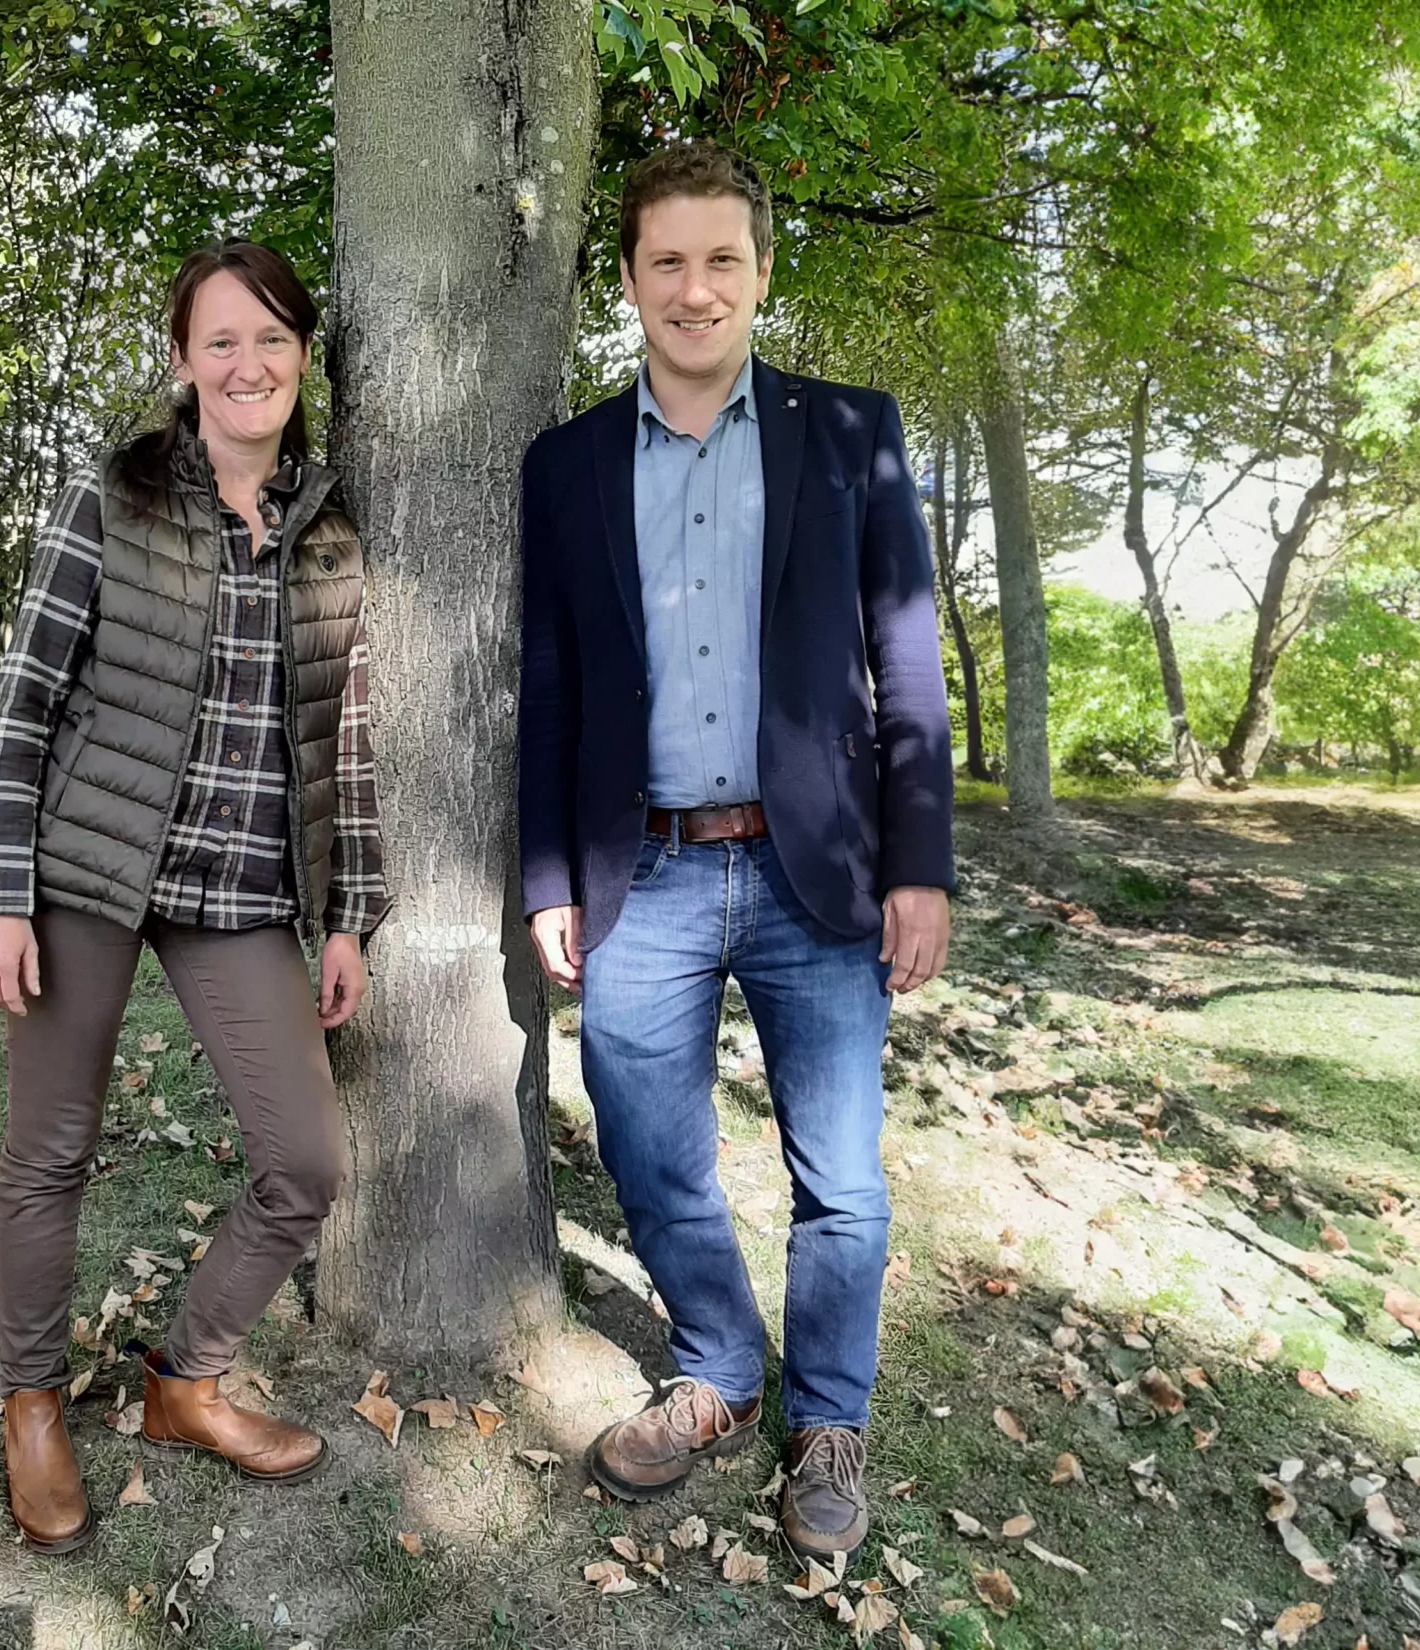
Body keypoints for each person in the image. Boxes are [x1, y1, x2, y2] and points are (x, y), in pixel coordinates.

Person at [516, 141, 955, 1559]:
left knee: (843, 1176)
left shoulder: (851, 434)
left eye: (721, 259)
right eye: (667, 261)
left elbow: (906, 662)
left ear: (762, 273)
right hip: (637, 871)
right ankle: (714, 1365)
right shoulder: (569, 465)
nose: (694, 288)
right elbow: (552, 684)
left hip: (813, 871)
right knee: (649, 1149)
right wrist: (546, 877)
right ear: (629, 280)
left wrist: (920, 867)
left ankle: (829, 1418)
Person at [0, 241, 389, 1554]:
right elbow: (23, 698)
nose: (249, 364)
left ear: (301, 355)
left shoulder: (330, 531)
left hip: (239, 885)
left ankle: (185, 1381)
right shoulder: (112, 497)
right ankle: (31, 1401)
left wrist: (349, 912)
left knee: (306, 1160)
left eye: (272, 338)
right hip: (85, 866)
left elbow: (346, 743)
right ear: (185, 361)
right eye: (220, 341)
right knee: (50, 1150)